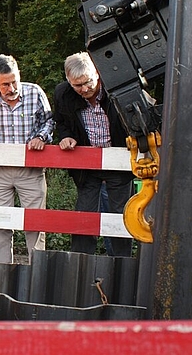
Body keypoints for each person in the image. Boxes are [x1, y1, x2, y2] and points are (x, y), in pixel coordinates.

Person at [53, 51, 133, 257]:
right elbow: (61, 122)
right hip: (86, 166)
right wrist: (66, 136)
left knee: (120, 216)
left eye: (87, 82)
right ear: (69, 82)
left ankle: (122, 263)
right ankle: (80, 263)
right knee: (83, 215)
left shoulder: (118, 89)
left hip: (119, 162)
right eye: (77, 85)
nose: (84, 89)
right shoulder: (63, 94)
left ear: (97, 73)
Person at [0, 54, 54, 264]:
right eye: (5, 84)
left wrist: (41, 137)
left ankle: (37, 271)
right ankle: (3, 273)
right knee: (0, 224)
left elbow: (49, 122)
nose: (11, 88)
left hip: (30, 169)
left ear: (19, 75)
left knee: (35, 224)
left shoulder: (35, 92)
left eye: (14, 82)